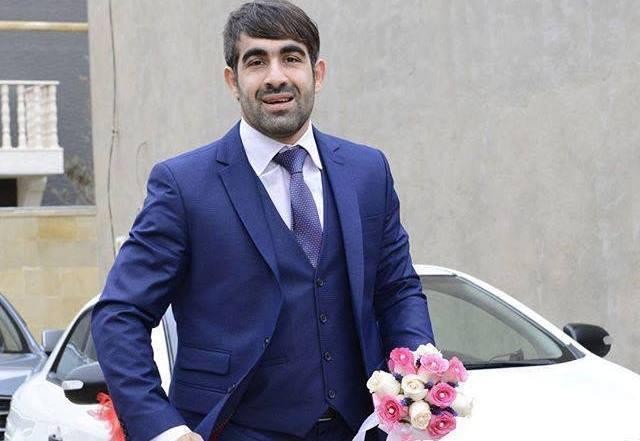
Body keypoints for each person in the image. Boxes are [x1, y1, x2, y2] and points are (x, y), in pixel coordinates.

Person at [91, 1, 434, 441]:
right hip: (232, 430)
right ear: (232, 80)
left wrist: (417, 381)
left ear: (318, 73)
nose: (275, 76)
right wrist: (164, 429)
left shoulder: (368, 172)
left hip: (362, 429)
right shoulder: (183, 185)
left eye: (291, 58)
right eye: (256, 61)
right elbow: (120, 314)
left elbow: (397, 289)